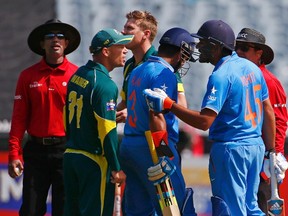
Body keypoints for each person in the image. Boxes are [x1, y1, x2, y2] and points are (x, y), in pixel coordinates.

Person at [143, 19, 277, 215]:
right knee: (252, 208)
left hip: (231, 149)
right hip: (255, 147)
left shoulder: (221, 75)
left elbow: (204, 122)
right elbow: (268, 110)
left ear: (215, 46)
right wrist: (270, 151)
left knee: (230, 209)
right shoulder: (252, 68)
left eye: (203, 43)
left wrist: (169, 104)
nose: (198, 47)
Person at [119, 27, 197, 215]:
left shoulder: (137, 69)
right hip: (153, 147)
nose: (185, 61)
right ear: (180, 53)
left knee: (139, 211)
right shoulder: (165, 73)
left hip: (129, 145)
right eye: (185, 56)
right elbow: (156, 114)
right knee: (177, 208)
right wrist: (163, 153)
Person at [7, 19, 80, 216]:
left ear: (66, 43)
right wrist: (14, 153)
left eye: (60, 36)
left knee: (64, 211)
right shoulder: (27, 76)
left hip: (66, 151)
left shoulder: (77, 75)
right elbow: (19, 117)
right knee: (30, 210)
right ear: (42, 44)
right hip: (35, 152)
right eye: (49, 36)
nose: (55, 40)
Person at [63, 28, 133, 216]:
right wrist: (116, 168)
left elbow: (67, 118)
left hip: (70, 155)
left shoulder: (77, 75)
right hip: (93, 161)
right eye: (121, 45)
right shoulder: (105, 84)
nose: (126, 50)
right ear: (106, 51)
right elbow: (107, 132)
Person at [236, 27, 288, 215]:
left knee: (262, 206)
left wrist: (274, 157)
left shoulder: (269, 80)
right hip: (244, 154)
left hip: (263, 161)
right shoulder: (237, 75)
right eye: (236, 47)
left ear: (259, 53)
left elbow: (280, 121)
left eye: (244, 48)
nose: (239, 52)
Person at [116, 10, 189, 124]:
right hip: (133, 136)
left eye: (129, 28)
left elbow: (181, 105)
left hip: (155, 138)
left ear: (146, 34)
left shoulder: (162, 63)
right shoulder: (129, 64)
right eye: (124, 27)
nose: (123, 31)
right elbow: (126, 103)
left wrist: (133, 113)